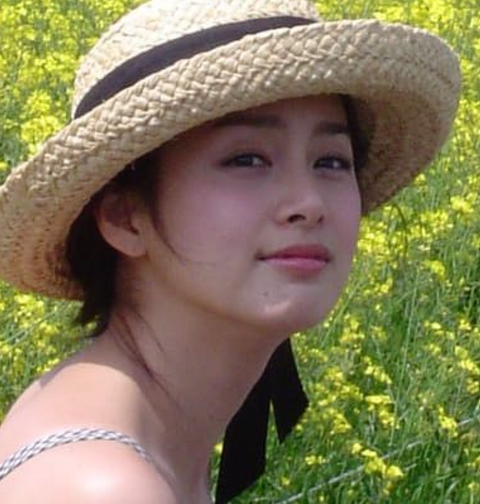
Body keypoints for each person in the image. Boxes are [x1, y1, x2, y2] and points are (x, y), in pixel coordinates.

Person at [0, 0, 460, 503]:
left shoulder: (133, 434)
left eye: (331, 161)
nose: (308, 203)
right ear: (124, 217)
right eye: (247, 159)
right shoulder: (101, 487)